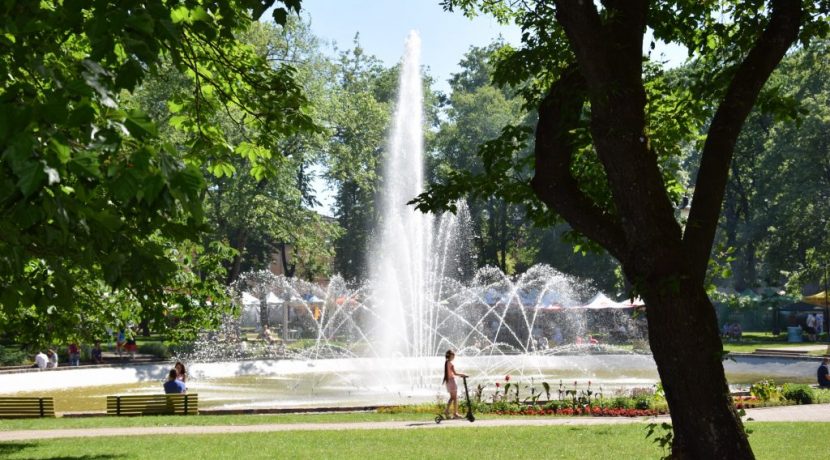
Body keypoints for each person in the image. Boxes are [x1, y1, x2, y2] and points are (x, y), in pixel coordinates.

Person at [442, 349, 467, 419]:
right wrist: (462, 374)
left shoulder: (446, 363)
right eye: (453, 356)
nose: (454, 357)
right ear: (450, 356)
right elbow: (455, 373)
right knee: (455, 398)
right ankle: (455, 413)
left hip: (448, 382)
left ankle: (447, 411)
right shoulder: (451, 364)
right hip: (452, 381)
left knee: (452, 397)